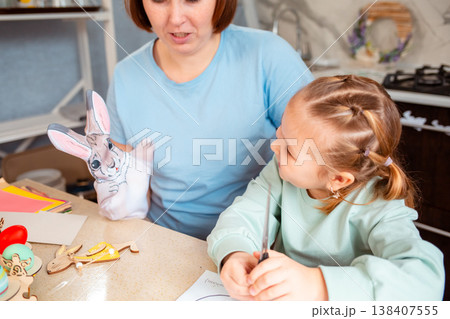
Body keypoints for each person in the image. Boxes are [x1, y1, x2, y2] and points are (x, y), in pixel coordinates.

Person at [207, 75, 445, 300]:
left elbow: (424, 280)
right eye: (280, 133)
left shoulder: (380, 208)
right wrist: (235, 252)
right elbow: (244, 214)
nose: (274, 147)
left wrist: (315, 284)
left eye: (289, 149)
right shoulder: (281, 171)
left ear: (338, 180)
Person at [101, 0, 314, 239]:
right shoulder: (125, 76)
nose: (176, 19)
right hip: (165, 243)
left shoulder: (269, 56)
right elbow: (130, 190)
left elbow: (320, 162)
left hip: (258, 244)